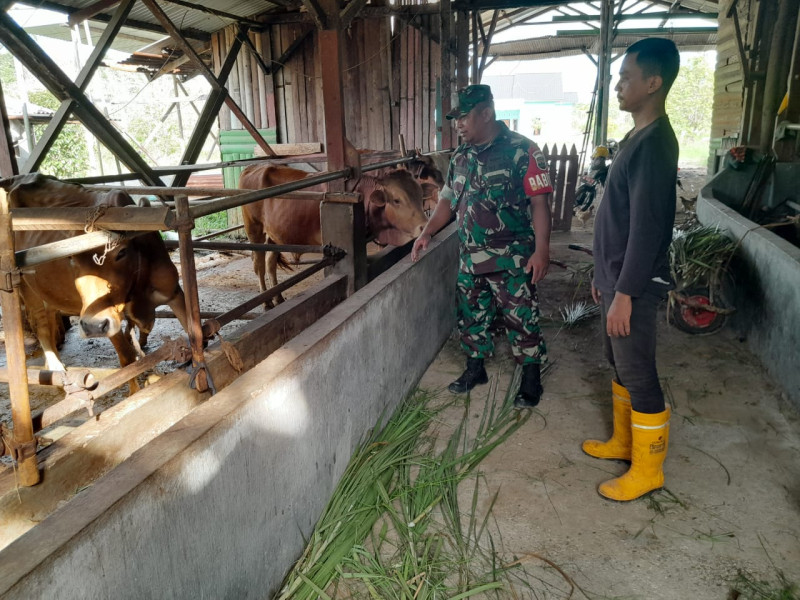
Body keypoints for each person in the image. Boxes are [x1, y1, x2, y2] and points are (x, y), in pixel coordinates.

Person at [411, 84, 553, 408]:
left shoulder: (523, 150)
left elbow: (540, 204)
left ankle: (531, 379)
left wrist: (542, 251)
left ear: (486, 113)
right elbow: (447, 200)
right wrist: (428, 233)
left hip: (512, 259)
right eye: (455, 118)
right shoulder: (461, 156)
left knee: (521, 318)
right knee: (471, 316)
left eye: (464, 116)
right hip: (470, 258)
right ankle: (475, 369)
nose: (458, 124)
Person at [583, 38, 680, 501]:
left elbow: (646, 228)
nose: (618, 85)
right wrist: (606, 277)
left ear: (653, 83)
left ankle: (648, 470)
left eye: (626, 77)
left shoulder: (655, 144)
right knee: (617, 362)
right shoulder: (637, 138)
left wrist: (625, 292)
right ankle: (625, 442)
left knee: (638, 371)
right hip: (618, 279)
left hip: (634, 286)